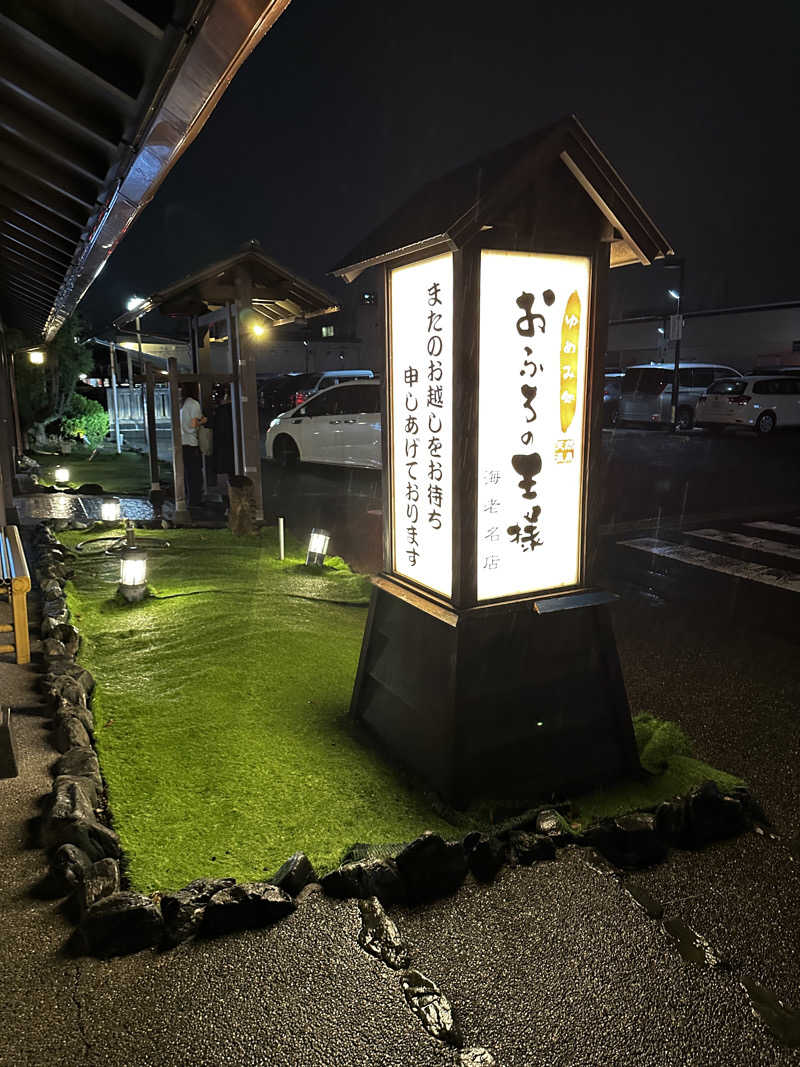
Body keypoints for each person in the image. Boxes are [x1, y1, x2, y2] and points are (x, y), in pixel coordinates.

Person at [180, 382, 206, 508]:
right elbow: (193, 424)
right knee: (195, 474)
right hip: (191, 442)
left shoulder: (183, 404)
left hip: (182, 443)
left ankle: (189, 498)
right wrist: (203, 421)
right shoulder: (194, 404)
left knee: (188, 474)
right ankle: (195, 500)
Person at [211, 385, 235, 506]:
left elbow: (217, 429)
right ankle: (233, 496)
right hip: (233, 445)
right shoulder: (237, 410)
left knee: (227, 472)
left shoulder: (221, 411)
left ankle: (227, 499)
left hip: (223, 447)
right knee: (233, 471)